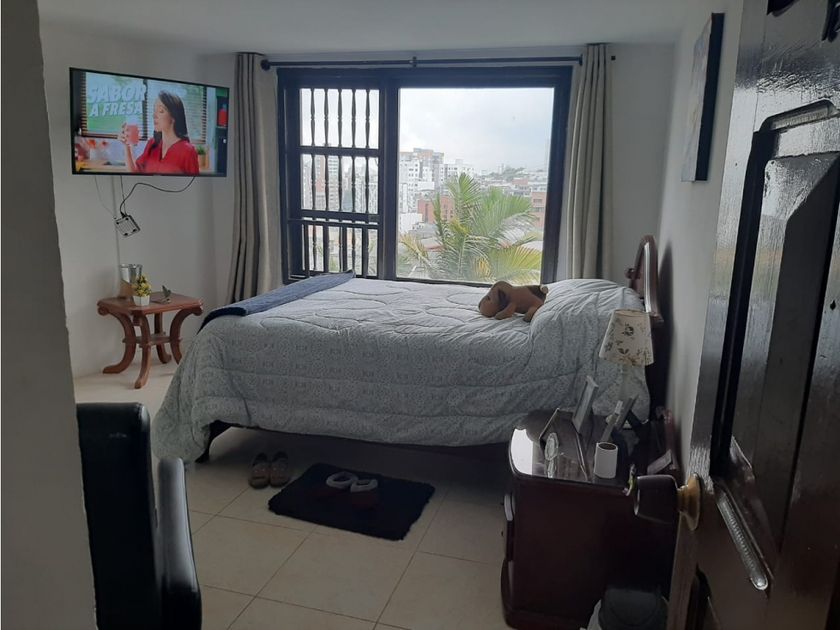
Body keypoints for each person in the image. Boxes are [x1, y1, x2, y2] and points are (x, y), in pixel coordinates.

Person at [119, 91, 199, 175]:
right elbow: (135, 173)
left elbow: (194, 182)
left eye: (161, 111)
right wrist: (126, 146)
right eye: (154, 110)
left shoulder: (188, 151)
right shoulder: (152, 144)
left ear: (173, 117)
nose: (154, 115)